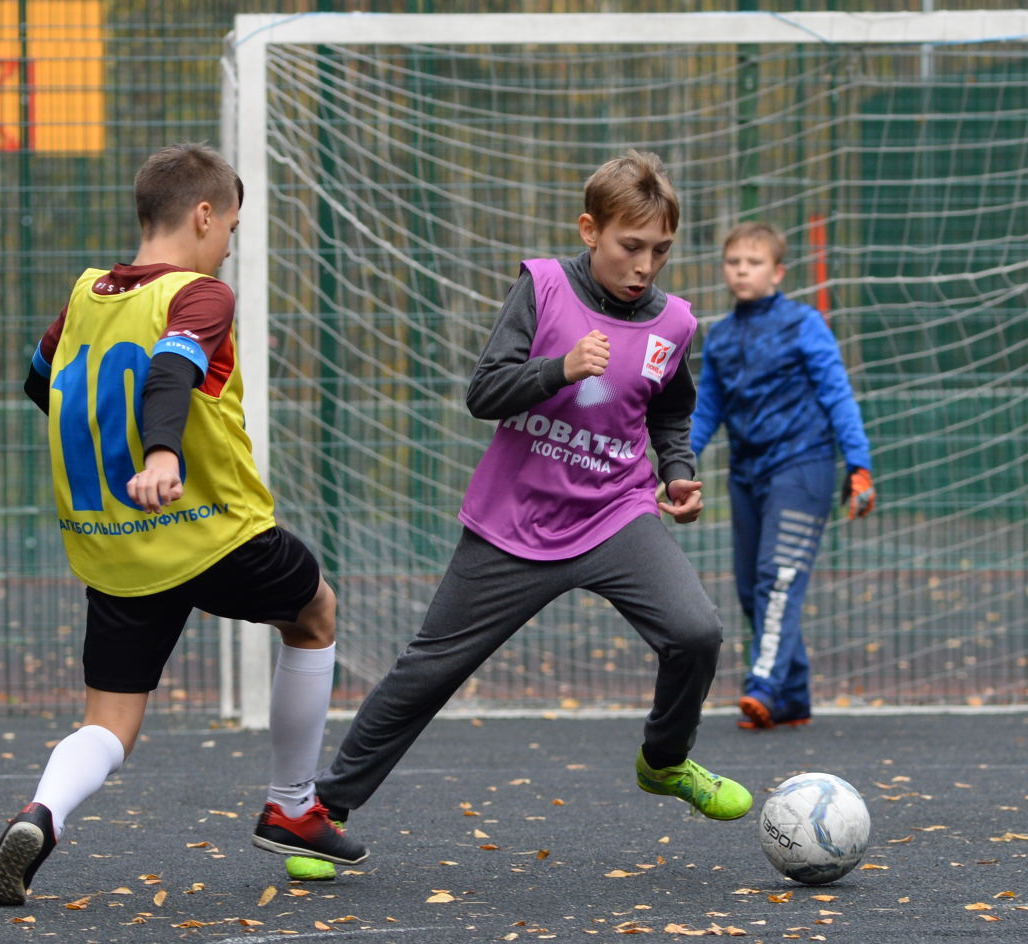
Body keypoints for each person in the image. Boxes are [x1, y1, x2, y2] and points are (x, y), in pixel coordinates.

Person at [313, 150, 752, 838]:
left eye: (660, 250)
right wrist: (561, 368)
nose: (645, 265)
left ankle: (665, 761)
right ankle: (321, 809)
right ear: (589, 230)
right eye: (630, 247)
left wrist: (676, 471)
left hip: (616, 513)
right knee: (428, 670)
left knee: (696, 632)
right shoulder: (543, 289)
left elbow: (669, 410)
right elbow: (483, 392)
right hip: (513, 521)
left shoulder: (675, 324)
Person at [0, 143, 366, 905]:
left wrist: (116, 451)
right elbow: (169, 372)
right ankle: (292, 807)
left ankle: (41, 814)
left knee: (110, 725)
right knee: (315, 612)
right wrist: (159, 452)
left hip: (115, 546)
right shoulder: (201, 294)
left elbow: (38, 380)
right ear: (202, 214)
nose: (229, 244)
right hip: (212, 529)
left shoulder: (87, 294)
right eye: (231, 226)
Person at [690, 222, 875, 731]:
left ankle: (764, 684)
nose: (741, 270)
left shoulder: (804, 324)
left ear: (777, 272)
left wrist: (860, 465)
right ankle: (792, 695)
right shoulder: (722, 336)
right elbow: (707, 409)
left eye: (753, 263)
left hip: (803, 468)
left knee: (779, 579)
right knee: (751, 589)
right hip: (747, 475)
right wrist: (679, 464)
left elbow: (838, 393)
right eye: (734, 262)